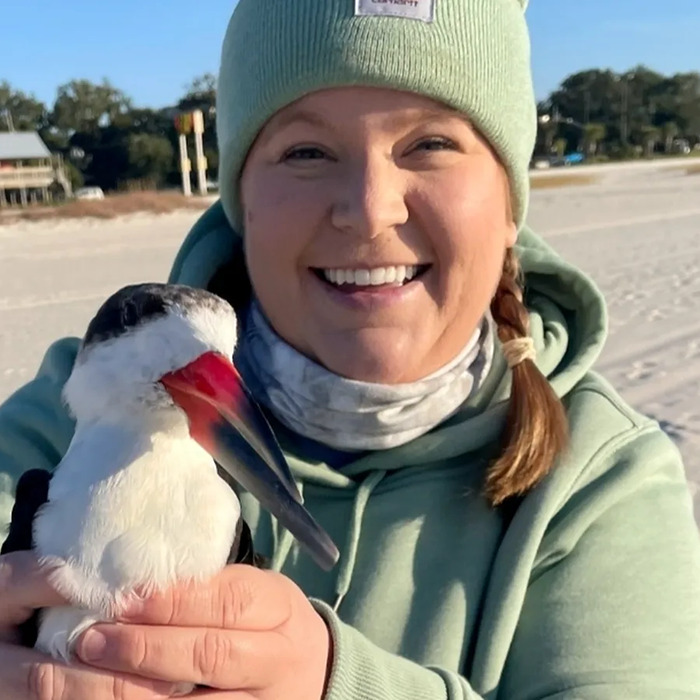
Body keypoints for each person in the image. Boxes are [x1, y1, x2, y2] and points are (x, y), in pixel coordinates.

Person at [1, 0, 700, 698]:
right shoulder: (59, 415)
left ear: (512, 202)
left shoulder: (606, 476)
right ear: (239, 198)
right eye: (305, 151)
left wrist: (340, 685)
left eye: (430, 145)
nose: (369, 209)